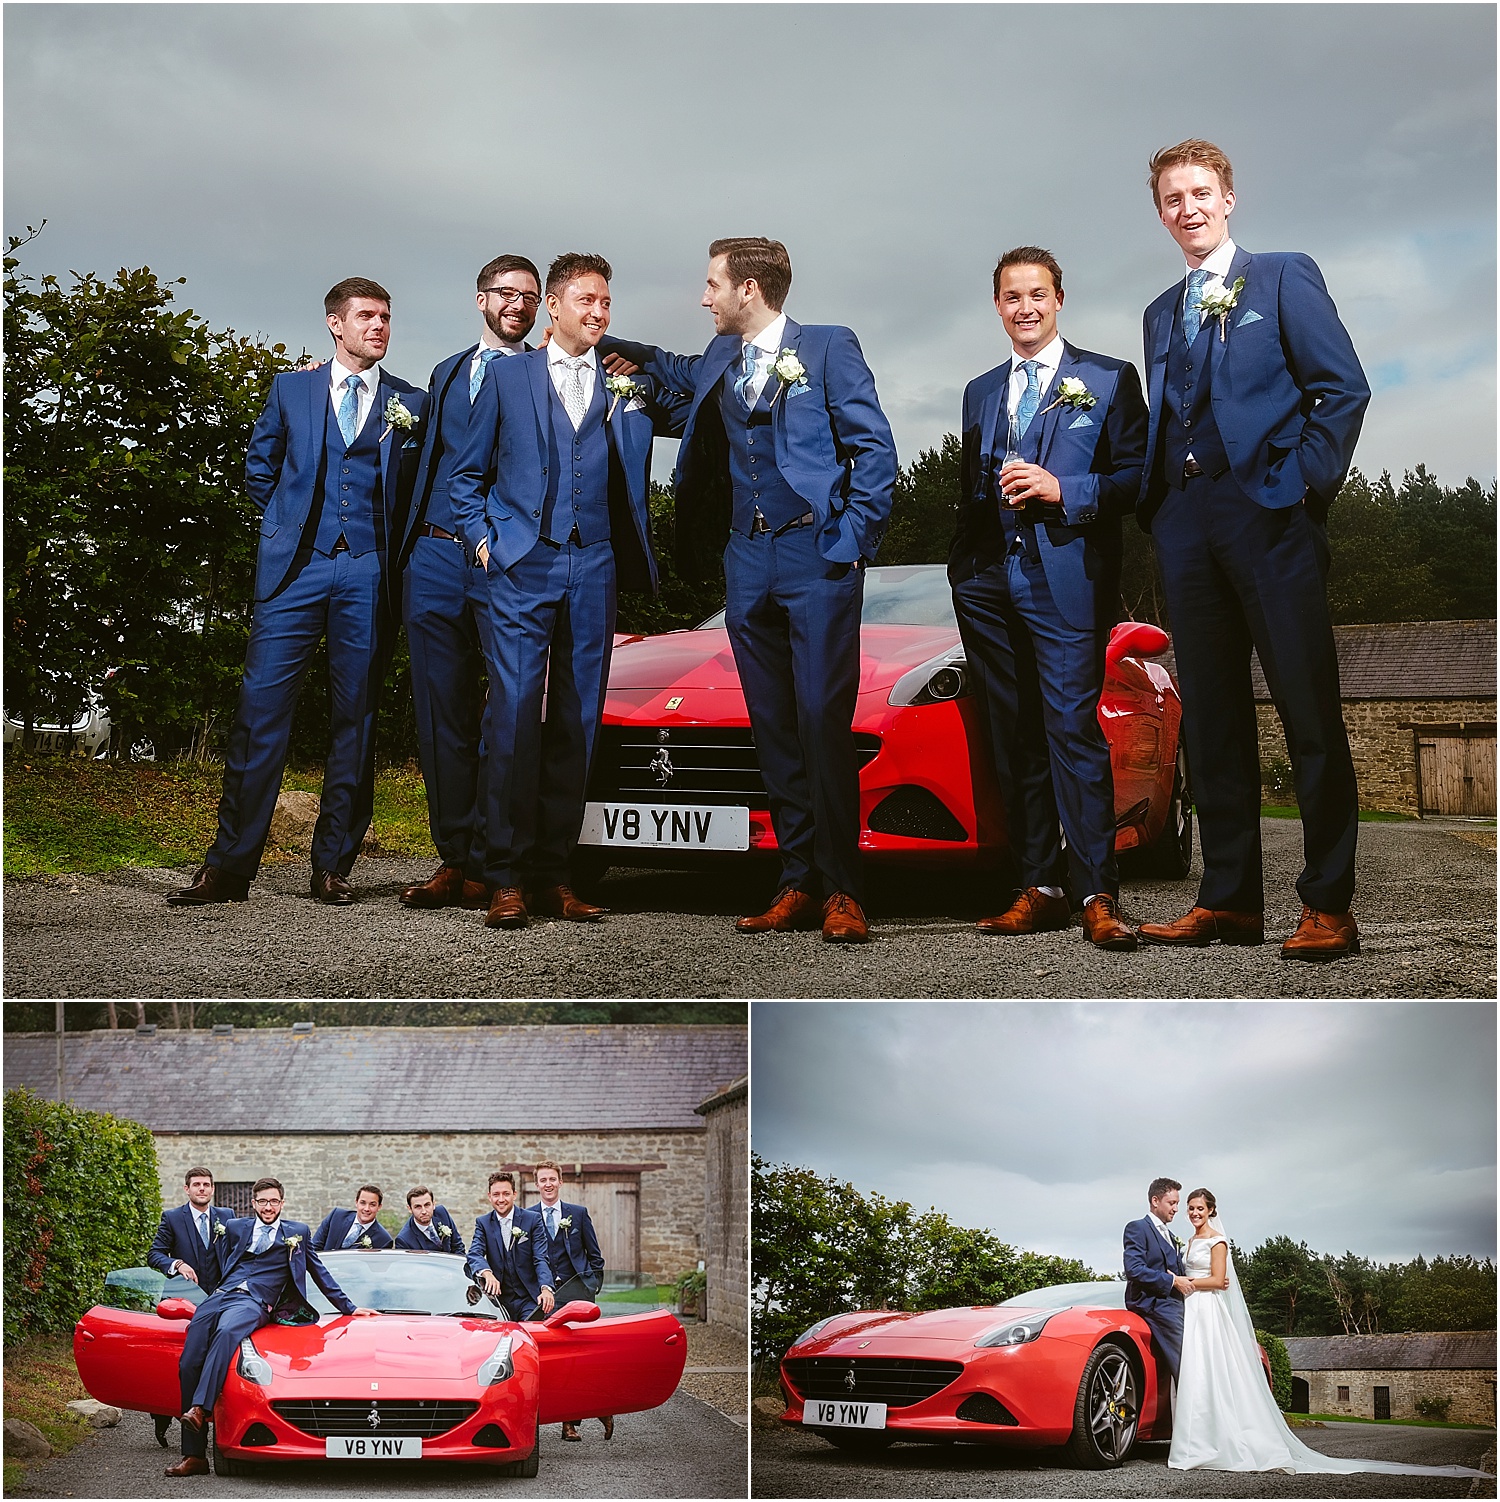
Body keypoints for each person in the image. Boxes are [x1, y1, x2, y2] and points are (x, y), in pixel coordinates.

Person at [600, 238, 898, 943]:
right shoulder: (717, 360)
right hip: (747, 561)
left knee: (822, 720)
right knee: (772, 723)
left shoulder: (828, 347)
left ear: (750, 289)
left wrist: (849, 540)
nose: (704, 298)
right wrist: (594, 336)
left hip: (814, 554)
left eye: (711, 285)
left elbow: (875, 449)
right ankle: (796, 881)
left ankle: (844, 891)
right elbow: (668, 367)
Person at [1133, 139, 1370, 961]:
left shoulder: (1281, 275)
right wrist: (1159, 510)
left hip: (1270, 514)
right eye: (1172, 198)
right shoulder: (1160, 311)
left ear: (1228, 197)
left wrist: (1303, 485)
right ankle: (1229, 901)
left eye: (1200, 192)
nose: (1187, 207)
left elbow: (1343, 388)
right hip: (1186, 525)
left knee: (1308, 712)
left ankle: (1328, 904)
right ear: (1161, 212)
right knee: (1213, 722)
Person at [168, 278, 427, 908]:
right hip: (294, 572)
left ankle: (333, 866)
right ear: (335, 324)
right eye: (366, 316)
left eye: (386, 317)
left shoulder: (410, 402)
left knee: (356, 719)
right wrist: (289, 527)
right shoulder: (293, 388)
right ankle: (229, 867)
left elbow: (419, 484)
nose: (380, 326)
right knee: (260, 714)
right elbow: (261, 466)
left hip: (368, 573)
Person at [448, 253, 684, 929]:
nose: (600, 312)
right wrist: (488, 540)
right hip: (521, 566)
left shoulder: (623, 385)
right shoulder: (508, 378)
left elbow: (701, 396)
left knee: (578, 724)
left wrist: (641, 366)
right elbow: (464, 477)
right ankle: (505, 878)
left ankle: (555, 876)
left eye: (607, 303)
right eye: (587, 300)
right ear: (553, 306)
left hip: (595, 568)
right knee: (515, 716)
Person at [949, 247, 1147, 952]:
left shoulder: (1108, 377)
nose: (1025, 308)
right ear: (997, 306)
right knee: (1015, 736)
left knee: (1070, 730)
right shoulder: (978, 390)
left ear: (1059, 298)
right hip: (986, 584)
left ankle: (1097, 893)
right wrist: (963, 569)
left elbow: (1137, 478)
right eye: (1011, 297)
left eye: (1037, 294)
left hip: (1065, 579)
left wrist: (1070, 490)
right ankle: (1041, 888)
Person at [396, 255, 543, 912]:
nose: (518, 304)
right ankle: (455, 859)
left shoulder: (546, 375)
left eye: (530, 296)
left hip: (502, 561)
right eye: (507, 293)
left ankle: (495, 858)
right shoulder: (446, 372)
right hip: (430, 558)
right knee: (440, 716)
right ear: (480, 299)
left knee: (505, 715)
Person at [1169, 1187, 1487, 1476]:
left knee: (1215, 1371)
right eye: (1191, 1209)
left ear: (1212, 1210)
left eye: (1200, 1208)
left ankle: (1226, 1442)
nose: (1195, 1213)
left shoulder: (1217, 1241)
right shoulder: (1192, 1242)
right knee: (1198, 1374)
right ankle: (1198, 1441)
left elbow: (1219, 1280)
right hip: (1193, 1309)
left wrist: (1186, 1283)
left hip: (1209, 1310)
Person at [165, 1177, 377, 1477]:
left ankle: (200, 1408)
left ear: (282, 1202)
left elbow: (320, 1272)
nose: (268, 1207)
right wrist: (203, 1287)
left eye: (273, 1201)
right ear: (253, 1203)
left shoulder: (297, 1233)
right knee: (188, 1362)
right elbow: (215, 1263)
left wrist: (350, 1307)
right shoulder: (237, 1228)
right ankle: (194, 1457)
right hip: (222, 1296)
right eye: (262, 1201)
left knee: (226, 1333)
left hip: (256, 1302)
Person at [146, 1167, 234, 1446]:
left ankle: (216, 1425)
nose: (202, 1189)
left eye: (207, 1184)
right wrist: (177, 1264)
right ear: (187, 1189)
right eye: (196, 1184)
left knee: (216, 1359)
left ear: (212, 1189)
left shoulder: (227, 1217)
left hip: (219, 1301)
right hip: (182, 1300)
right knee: (179, 1362)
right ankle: (162, 1414)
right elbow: (154, 1254)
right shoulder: (172, 1218)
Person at [531, 1159, 611, 1442]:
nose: (548, 1184)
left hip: (577, 1296)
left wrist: (592, 1287)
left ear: (560, 1182)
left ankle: (570, 1423)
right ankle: (539, 1419)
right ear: (536, 1184)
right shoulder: (526, 1217)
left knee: (577, 1359)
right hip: (544, 1300)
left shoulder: (578, 1214)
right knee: (547, 1360)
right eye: (543, 1180)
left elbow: (595, 1255)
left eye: (552, 1179)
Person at [1123, 1176, 1194, 1384]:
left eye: (1177, 1204)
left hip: (1178, 1305)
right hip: (1155, 1306)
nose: (1176, 1209)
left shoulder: (1171, 1236)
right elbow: (1134, 1269)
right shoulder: (1137, 1228)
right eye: (1172, 1203)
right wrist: (1172, 1282)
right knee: (1188, 1361)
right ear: (1155, 1201)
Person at [466, 1171, 555, 1320]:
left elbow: (540, 1258)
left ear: (514, 1194)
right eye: (496, 1195)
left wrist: (546, 1288)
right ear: (489, 1196)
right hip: (498, 1301)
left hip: (528, 1298)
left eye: (506, 1194)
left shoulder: (532, 1220)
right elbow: (474, 1253)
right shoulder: (483, 1223)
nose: (501, 1199)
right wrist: (487, 1274)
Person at [310, 1184, 394, 1251]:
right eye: (363, 1203)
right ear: (356, 1202)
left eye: (372, 1205)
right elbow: (314, 1248)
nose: (367, 1209)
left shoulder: (384, 1240)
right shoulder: (336, 1217)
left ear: (379, 1207)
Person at [393, 1185, 464, 1252]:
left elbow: (458, 1246)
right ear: (410, 1209)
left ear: (433, 1204)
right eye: (418, 1207)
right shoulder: (404, 1240)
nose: (424, 1211)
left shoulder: (442, 1213)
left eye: (427, 1205)